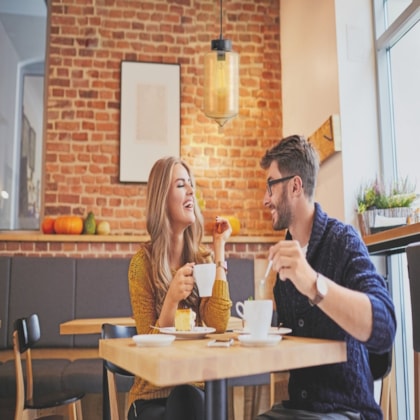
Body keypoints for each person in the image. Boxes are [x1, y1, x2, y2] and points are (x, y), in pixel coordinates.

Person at [257, 135, 396, 420]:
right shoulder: (284, 262)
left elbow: (384, 328)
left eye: (271, 186)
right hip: (300, 409)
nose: (265, 199)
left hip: (347, 410)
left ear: (295, 186)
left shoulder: (343, 241)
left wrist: (313, 283)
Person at [127, 156, 232, 420]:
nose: (191, 191)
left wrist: (219, 249)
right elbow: (148, 352)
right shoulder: (142, 265)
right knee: (187, 402)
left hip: (193, 390)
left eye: (191, 185)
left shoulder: (203, 259)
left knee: (188, 397)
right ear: (162, 198)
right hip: (152, 398)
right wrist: (171, 300)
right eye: (181, 185)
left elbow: (218, 324)